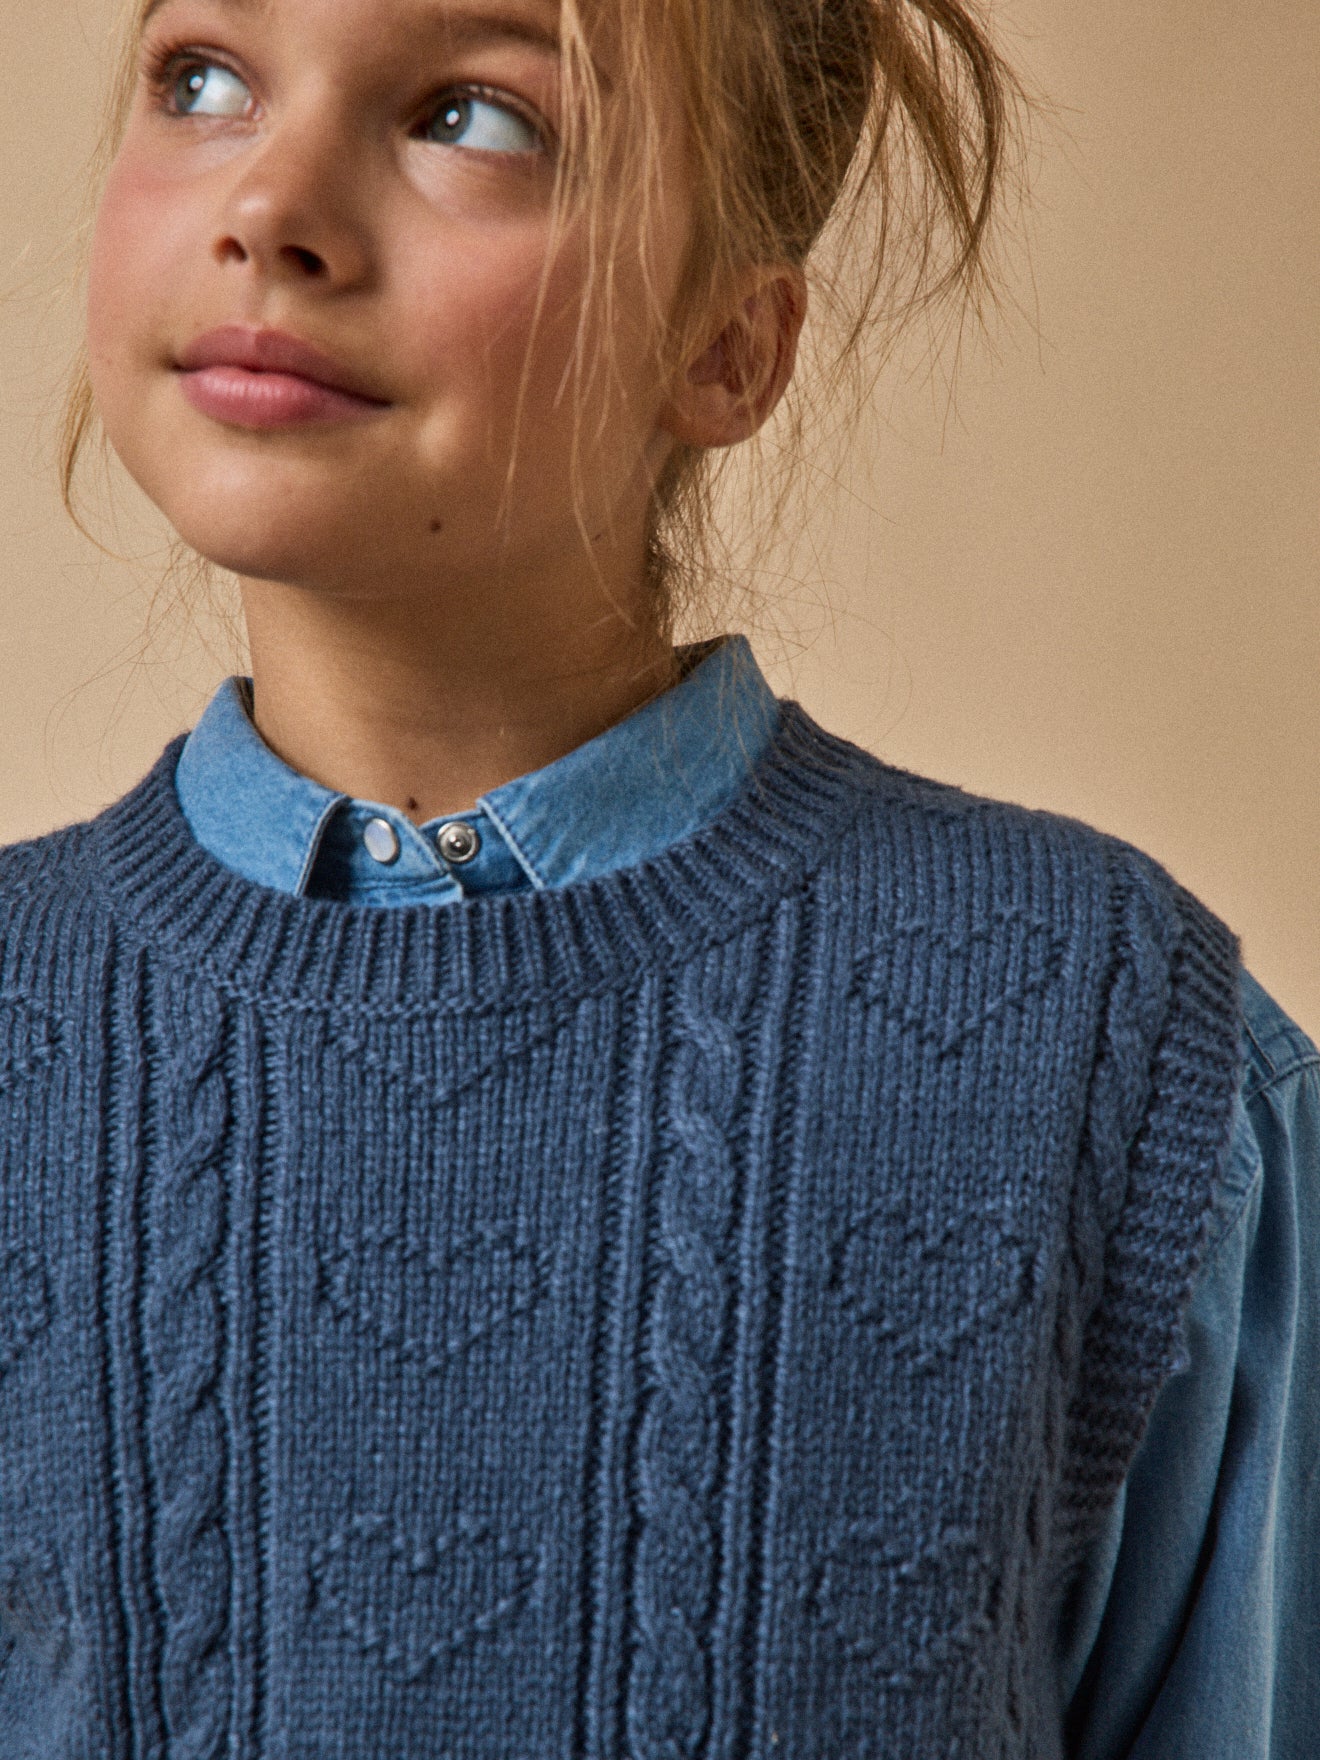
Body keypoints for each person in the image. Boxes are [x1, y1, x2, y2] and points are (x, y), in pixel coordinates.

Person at [1, 0, 1315, 1753]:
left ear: (728, 344)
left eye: (474, 116)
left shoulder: (1116, 1050)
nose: (269, 206)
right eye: (204, 79)